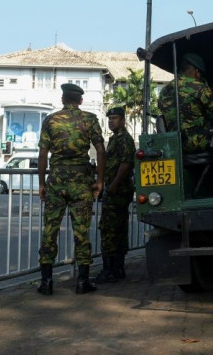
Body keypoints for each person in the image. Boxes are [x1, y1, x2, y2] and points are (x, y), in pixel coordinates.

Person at [36, 83, 106, 295]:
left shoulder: (50, 120)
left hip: (56, 180)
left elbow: (42, 154)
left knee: (50, 230)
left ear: (62, 100)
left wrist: (41, 183)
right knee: (81, 231)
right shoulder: (89, 119)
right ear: (80, 101)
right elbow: (101, 150)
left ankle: (46, 282)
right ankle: (83, 282)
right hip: (80, 181)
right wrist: (100, 180)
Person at [157, 53, 213, 152]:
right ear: (197, 72)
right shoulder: (198, 87)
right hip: (197, 143)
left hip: (173, 146)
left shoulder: (164, 91)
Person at [94, 107, 136, 284]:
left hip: (117, 191)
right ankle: (117, 268)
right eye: (110, 118)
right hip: (115, 189)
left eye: (115, 118)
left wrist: (114, 184)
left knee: (109, 229)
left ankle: (109, 269)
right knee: (117, 229)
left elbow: (126, 163)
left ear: (123, 120)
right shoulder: (114, 139)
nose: (112, 121)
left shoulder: (124, 139)